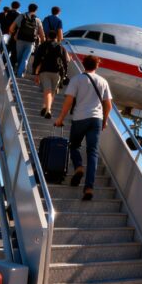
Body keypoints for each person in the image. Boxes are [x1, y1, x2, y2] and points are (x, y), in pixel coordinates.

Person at [54, 55, 113, 200]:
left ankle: (79, 167)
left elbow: (68, 101)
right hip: (96, 120)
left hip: (80, 118)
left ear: (83, 64)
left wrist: (61, 117)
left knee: (74, 146)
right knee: (92, 153)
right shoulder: (103, 82)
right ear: (97, 66)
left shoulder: (77, 80)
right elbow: (108, 105)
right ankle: (88, 188)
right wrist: (104, 120)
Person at [32, 32, 68, 119]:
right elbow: (65, 61)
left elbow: (36, 60)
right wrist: (64, 74)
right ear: (56, 37)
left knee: (47, 91)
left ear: (48, 37)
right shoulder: (61, 47)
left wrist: (35, 73)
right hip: (56, 73)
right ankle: (45, 106)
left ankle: (48, 110)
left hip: (45, 71)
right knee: (52, 92)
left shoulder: (43, 46)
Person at [9, 3, 45, 78]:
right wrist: (43, 43)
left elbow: (11, 28)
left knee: (19, 57)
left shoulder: (21, 16)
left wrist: (14, 34)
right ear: (36, 10)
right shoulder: (37, 20)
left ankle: (17, 70)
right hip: (31, 42)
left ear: (28, 8)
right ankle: (19, 74)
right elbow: (42, 34)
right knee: (25, 58)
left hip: (20, 40)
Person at [3, 1, 21, 70]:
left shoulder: (6, 13)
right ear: (18, 7)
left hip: (5, 33)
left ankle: (2, 62)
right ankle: (10, 66)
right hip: (13, 35)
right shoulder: (19, 15)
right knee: (13, 50)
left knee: (5, 49)